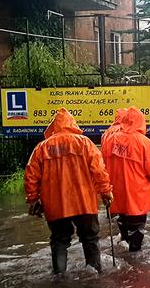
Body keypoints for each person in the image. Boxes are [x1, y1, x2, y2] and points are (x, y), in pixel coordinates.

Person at [24, 108, 114, 274]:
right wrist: (106, 192)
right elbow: (99, 171)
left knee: (59, 240)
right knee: (90, 239)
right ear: (73, 124)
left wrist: (33, 199)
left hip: (55, 205)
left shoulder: (42, 148)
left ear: (53, 127)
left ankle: (59, 276)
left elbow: (31, 175)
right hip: (84, 203)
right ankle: (94, 274)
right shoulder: (85, 143)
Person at [101, 107, 150, 252]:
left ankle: (125, 245)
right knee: (137, 226)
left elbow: (102, 165)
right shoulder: (145, 143)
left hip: (116, 192)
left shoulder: (109, 139)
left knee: (122, 219)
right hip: (137, 194)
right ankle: (135, 257)